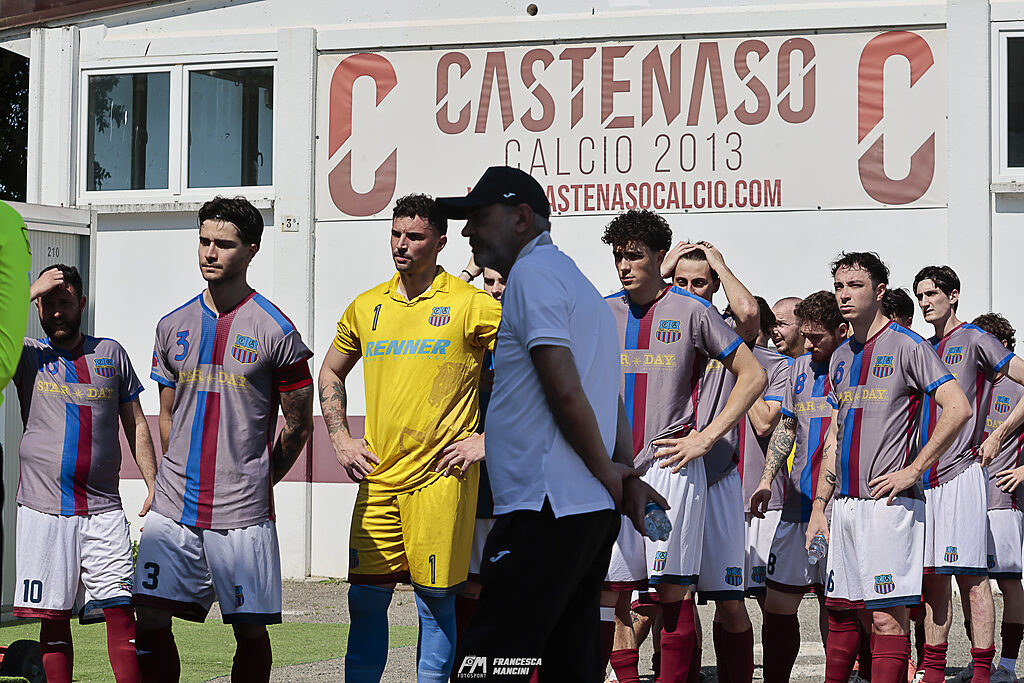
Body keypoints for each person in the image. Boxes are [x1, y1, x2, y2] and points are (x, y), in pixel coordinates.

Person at [440, 166, 667, 682]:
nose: (468, 230)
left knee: (489, 665)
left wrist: (613, 476)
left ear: (521, 218)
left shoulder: (532, 275)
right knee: (568, 660)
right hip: (582, 509)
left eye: (479, 216)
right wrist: (621, 476)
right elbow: (609, 398)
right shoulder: (576, 282)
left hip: (546, 508)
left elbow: (565, 389)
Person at [318, 194, 501, 682]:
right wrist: (341, 439)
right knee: (364, 599)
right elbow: (330, 371)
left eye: (415, 236)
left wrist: (490, 439)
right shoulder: (367, 306)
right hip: (378, 478)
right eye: (396, 234)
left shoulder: (471, 304)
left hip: (441, 479)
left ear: (440, 242)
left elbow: (531, 369)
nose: (402, 244)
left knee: (435, 603)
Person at [134, 196, 315, 683]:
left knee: (249, 628)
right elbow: (167, 415)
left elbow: (299, 425)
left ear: (252, 249)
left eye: (224, 244)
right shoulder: (172, 325)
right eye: (204, 241)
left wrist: (261, 480)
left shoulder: (277, 331)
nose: (210, 253)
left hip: (242, 511)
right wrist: (170, 475)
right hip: (174, 504)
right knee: (148, 613)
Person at [598, 210, 765, 683]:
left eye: (634, 256)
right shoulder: (602, 311)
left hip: (669, 465)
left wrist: (707, 436)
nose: (624, 265)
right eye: (618, 256)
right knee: (608, 593)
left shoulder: (693, 311)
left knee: (672, 591)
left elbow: (753, 375)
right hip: (613, 469)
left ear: (658, 257)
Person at [807, 252, 971, 683]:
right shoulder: (840, 356)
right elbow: (835, 436)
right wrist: (820, 507)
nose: (844, 295)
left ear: (879, 291)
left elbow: (958, 407)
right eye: (839, 286)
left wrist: (914, 470)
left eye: (855, 286)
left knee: (886, 619)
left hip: (890, 506)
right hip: (844, 505)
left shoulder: (908, 345)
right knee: (840, 614)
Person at [11, 264, 156, 683]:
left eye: (65, 302)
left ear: (82, 304)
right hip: (42, 510)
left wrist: (154, 484)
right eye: (48, 303)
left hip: (103, 509)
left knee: (120, 612)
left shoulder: (110, 353)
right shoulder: (26, 355)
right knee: (53, 619)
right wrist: (28, 290)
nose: (57, 311)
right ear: (38, 308)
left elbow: (136, 422)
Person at [913, 265, 1024, 683]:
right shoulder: (923, 347)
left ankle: (985, 672)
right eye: (920, 296)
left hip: (962, 474)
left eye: (932, 294)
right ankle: (933, 670)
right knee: (933, 582)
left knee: (972, 579)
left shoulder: (976, 339)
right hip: (925, 478)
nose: (925, 302)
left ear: (953, 295)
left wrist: (999, 434)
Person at [661, 240, 762, 683]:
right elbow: (625, 307)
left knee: (730, 601)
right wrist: (663, 274)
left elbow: (749, 313)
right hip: (672, 470)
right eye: (680, 282)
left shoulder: (724, 328)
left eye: (699, 283)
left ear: (714, 286)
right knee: (672, 593)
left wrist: (719, 264)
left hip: (718, 473)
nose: (688, 290)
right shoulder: (660, 323)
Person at [751, 290, 847, 682]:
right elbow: (787, 427)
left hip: (841, 507)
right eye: (804, 336)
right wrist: (766, 479)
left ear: (840, 331)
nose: (807, 345)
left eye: (816, 337)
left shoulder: (856, 365)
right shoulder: (799, 369)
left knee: (840, 607)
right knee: (777, 604)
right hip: (797, 505)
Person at [453, 266, 504, 669]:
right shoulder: (465, 328)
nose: (496, 289)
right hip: (473, 482)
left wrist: (492, 440)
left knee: (515, 588)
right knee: (469, 585)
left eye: (504, 280)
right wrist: (468, 270)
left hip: (520, 485)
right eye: (489, 281)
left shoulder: (537, 335)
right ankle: (466, 670)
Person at [972, 312, 1024, 683]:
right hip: (968, 498)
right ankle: (980, 665)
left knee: (1007, 582)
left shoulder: (1018, 387)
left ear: (1002, 347)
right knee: (972, 583)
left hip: (1003, 499)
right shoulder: (971, 383)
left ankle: (1007, 665)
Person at [737, 297, 792, 606]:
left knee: (770, 600)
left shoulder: (779, 365)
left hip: (765, 499)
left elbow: (764, 423)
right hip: (722, 494)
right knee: (726, 600)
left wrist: (744, 371)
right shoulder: (712, 360)